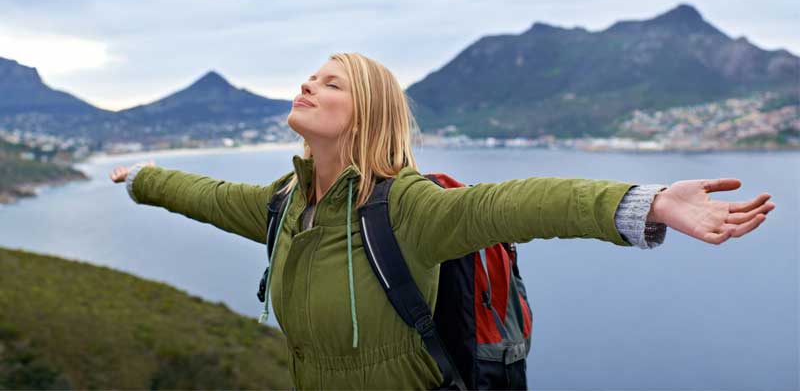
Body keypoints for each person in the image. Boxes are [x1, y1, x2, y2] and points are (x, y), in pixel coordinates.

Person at [110, 52, 775, 390]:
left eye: (332, 83)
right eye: (310, 76)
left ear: (368, 113)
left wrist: (645, 204)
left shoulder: (406, 207)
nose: (309, 84)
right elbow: (206, 194)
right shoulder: (286, 203)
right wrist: (142, 178)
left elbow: (516, 203)